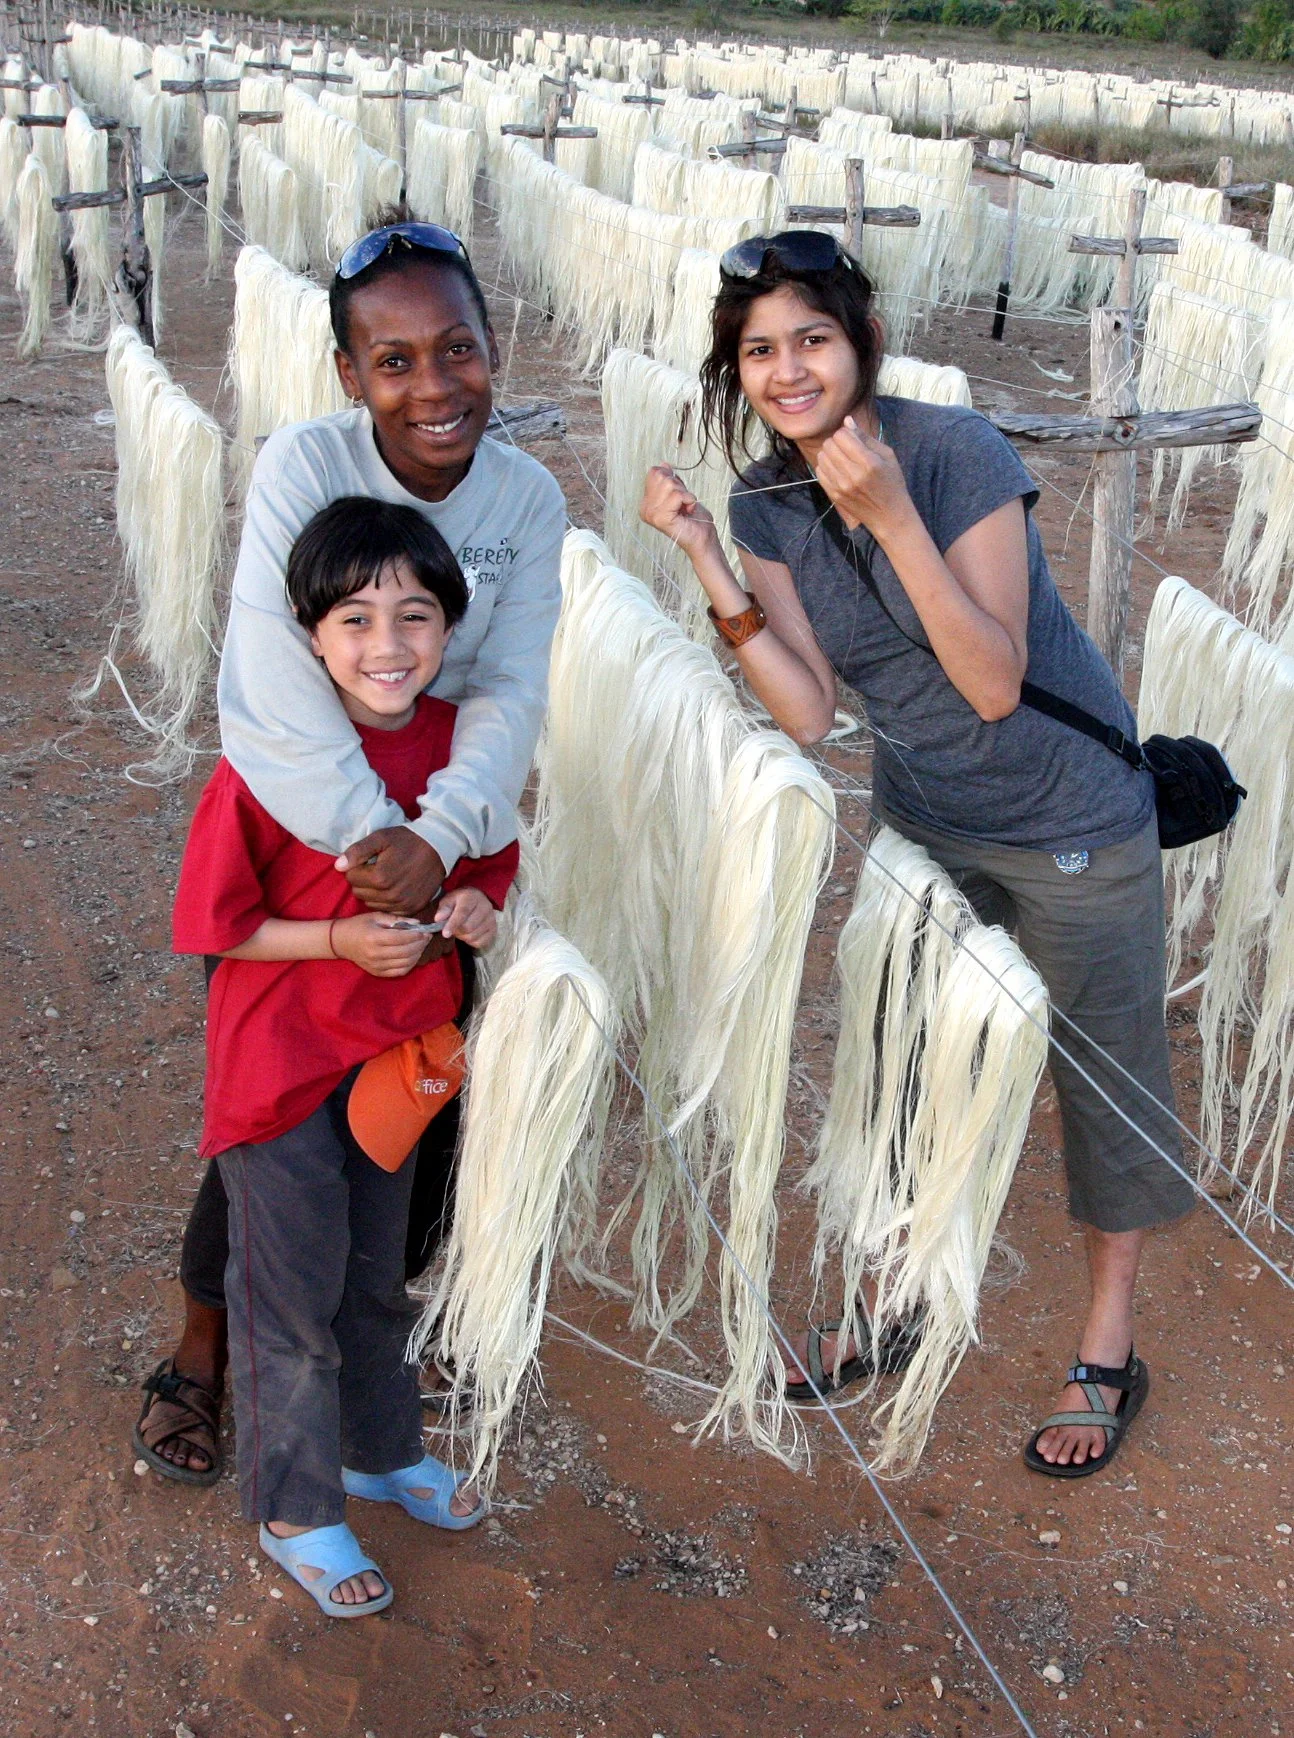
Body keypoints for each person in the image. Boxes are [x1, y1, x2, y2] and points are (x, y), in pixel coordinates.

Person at [638, 230, 1193, 1479]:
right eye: (760, 350)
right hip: (925, 823)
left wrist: (888, 514)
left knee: (1100, 1080)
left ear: (860, 341)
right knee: (896, 1066)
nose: (789, 372)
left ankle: (1108, 1343)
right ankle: (891, 1298)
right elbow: (808, 708)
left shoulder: (953, 455)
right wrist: (707, 563)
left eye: (811, 341)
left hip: (1068, 819)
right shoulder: (762, 500)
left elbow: (993, 681)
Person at [133, 222, 565, 1486]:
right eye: (393, 360)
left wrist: (438, 846)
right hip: (301, 831)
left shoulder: (526, 500)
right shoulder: (301, 467)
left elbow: (506, 694)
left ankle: (368, 1373)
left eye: (457, 350)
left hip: (437, 839)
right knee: (270, 1123)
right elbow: (269, 679)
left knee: (402, 1113)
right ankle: (207, 1341)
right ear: (347, 373)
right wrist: (370, 845)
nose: (432, 387)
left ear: (494, 350)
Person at [171, 495, 519, 1614]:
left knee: (377, 1274)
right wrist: (334, 937)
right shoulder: (268, 758)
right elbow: (213, 924)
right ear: (308, 636)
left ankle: (379, 1451)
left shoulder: (460, 743)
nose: (388, 645)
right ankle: (296, 1505)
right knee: (290, 1295)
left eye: (415, 615)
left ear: (451, 628)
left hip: (393, 1065)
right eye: (355, 620)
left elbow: (488, 867)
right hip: (280, 1070)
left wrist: (469, 909)